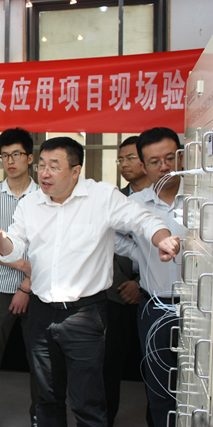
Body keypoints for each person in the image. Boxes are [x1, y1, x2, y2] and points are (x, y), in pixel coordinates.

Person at [0, 136, 180, 427]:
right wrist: (1, 239)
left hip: (85, 314)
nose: (44, 173)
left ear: (76, 171)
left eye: (54, 166)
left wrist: (162, 239)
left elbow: (143, 220)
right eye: (41, 166)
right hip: (42, 312)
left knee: (87, 400)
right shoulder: (31, 203)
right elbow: (13, 247)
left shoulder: (102, 197)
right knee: (47, 398)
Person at [116, 127, 184, 427]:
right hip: (156, 306)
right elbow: (110, 235)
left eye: (170, 158)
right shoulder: (135, 204)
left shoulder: (202, 197)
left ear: (181, 157)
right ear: (144, 166)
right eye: (155, 162)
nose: (164, 167)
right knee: (161, 388)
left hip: (201, 308)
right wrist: (138, 253)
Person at [0, 128, 39, 427]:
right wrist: (21, 265)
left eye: (17, 154)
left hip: (37, 289)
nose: (11, 161)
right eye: (5, 155)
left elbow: (49, 248)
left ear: (30, 158)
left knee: (39, 359)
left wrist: (27, 283)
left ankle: (39, 414)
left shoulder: (43, 196)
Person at [104, 136, 151, 427]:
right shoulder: (114, 200)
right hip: (117, 294)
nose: (123, 164)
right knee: (109, 362)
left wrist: (140, 284)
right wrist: (126, 285)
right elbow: (105, 247)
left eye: (130, 158)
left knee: (154, 362)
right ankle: (104, 418)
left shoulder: (164, 199)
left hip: (154, 294)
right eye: (120, 159)